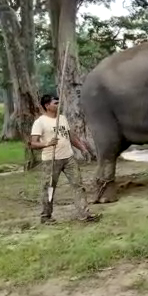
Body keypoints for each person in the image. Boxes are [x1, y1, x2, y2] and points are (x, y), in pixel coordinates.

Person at [30, 94, 101, 224]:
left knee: (78, 185)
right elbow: (33, 143)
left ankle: (84, 214)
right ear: (47, 106)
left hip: (68, 158)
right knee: (49, 188)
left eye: (59, 103)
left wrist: (82, 148)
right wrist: (47, 144)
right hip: (51, 160)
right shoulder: (40, 122)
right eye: (55, 103)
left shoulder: (62, 118)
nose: (59, 105)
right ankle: (46, 217)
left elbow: (70, 136)